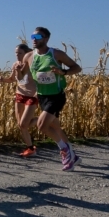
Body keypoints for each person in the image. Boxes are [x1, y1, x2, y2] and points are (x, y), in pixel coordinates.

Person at [22, 27, 83, 171]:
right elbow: (22, 77)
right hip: (42, 96)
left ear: (46, 39)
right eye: (32, 36)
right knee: (55, 126)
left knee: (42, 125)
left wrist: (63, 72)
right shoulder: (29, 56)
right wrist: (18, 71)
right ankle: (73, 157)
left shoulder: (56, 54)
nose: (34, 39)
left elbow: (77, 68)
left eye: (38, 36)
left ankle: (65, 150)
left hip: (56, 96)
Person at [0, 42, 38, 156]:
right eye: (16, 53)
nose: (17, 55)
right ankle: (30, 148)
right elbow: (12, 79)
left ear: (26, 54)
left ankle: (45, 120)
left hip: (32, 95)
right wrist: (3, 79)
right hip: (20, 94)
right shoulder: (16, 64)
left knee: (24, 123)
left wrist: (38, 93)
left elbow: (38, 79)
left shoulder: (32, 64)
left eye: (20, 53)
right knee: (20, 124)